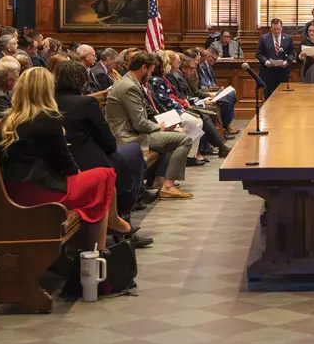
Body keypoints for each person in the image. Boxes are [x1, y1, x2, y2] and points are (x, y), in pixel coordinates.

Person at [0, 67, 131, 269]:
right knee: (105, 175)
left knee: (98, 182)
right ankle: (97, 255)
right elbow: (66, 163)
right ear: (46, 91)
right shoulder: (48, 118)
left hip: (16, 190)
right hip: (44, 193)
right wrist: (76, 174)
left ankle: (101, 238)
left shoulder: (8, 120)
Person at [53, 61, 156, 223]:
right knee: (134, 153)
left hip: (60, 165)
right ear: (83, 81)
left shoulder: (49, 103)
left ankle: (131, 204)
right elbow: (108, 142)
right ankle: (124, 214)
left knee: (130, 156)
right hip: (89, 164)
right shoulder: (86, 103)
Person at [105, 51, 193, 200]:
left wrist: (166, 124)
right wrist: (160, 127)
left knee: (178, 135)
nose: (151, 76)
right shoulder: (129, 87)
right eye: (151, 71)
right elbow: (139, 123)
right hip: (128, 137)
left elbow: (145, 114)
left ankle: (159, 181)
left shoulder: (132, 82)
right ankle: (168, 186)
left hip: (136, 132)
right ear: (143, 68)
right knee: (185, 139)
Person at [197, 48, 237, 132]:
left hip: (212, 90)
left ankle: (228, 124)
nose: (215, 61)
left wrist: (218, 89)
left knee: (232, 93)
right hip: (206, 92)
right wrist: (217, 89)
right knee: (228, 97)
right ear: (208, 56)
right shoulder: (199, 68)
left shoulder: (209, 68)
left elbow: (211, 83)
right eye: (214, 59)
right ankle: (226, 126)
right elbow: (204, 84)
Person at [255, 18, 295, 99]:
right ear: (271, 28)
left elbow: (292, 54)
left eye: (278, 29)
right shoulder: (264, 38)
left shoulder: (288, 38)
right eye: (274, 29)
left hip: (282, 73)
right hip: (268, 73)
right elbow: (259, 54)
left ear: (281, 28)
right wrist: (266, 62)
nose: (276, 31)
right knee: (268, 98)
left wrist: (287, 62)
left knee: (283, 98)